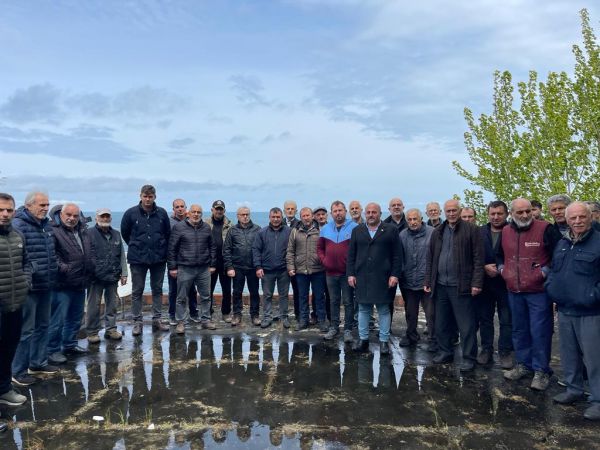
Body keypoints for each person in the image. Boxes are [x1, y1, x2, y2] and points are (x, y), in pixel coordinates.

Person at [546, 202, 600, 421]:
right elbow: (554, 270)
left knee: (595, 359)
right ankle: (573, 389)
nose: (577, 221)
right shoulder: (563, 243)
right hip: (565, 309)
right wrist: (551, 288)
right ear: (567, 220)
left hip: (591, 312)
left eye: (582, 217)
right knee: (569, 355)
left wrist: (591, 296)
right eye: (573, 218)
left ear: (590, 217)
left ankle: (598, 400)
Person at [498, 198, 556, 390]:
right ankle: (523, 364)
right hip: (514, 291)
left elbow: (558, 255)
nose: (525, 215)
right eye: (520, 212)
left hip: (538, 292)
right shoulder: (506, 231)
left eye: (528, 211)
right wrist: (502, 270)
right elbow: (499, 254)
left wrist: (544, 273)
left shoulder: (545, 228)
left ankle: (541, 371)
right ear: (511, 214)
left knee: (540, 331)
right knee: (519, 330)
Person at [424, 199, 484, 372]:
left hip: (461, 285)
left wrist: (477, 282)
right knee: (441, 322)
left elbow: (478, 258)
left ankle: (469, 357)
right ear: (444, 212)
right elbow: (431, 258)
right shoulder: (438, 231)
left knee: (466, 325)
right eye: (448, 210)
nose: (451, 213)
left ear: (459, 211)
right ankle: (445, 352)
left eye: (454, 210)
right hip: (441, 285)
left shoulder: (471, 230)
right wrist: (428, 280)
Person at [12, 191, 59, 386]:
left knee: (43, 326)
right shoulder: (18, 225)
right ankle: (18, 371)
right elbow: (18, 258)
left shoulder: (46, 225)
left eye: (47, 205)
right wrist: (26, 279)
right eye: (42, 205)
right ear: (29, 205)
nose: (46, 208)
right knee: (26, 331)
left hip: (46, 285)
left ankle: (38, 362)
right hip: (29, 288)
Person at [347, 202, 402, 355]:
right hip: (362, 276)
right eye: (368, 212)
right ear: (365, 214)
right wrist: (350, 274)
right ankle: (363, 340)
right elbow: (351, 254)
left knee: (383, 309)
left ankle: (384, 341)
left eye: (374, 212)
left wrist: (395, 274)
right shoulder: (357, 230)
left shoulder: (391, 230)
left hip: (383, 277)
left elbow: (397, 255)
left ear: (380, 214)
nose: (371, 215)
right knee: (363, 309)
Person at [121, 185, 171, 336]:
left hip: (158, 258)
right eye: (145, 196)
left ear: (155, 197)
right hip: (138, 259)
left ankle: (157, 319)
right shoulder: (130, 213)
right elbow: (125, 233)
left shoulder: (162, 213)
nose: (148, 199)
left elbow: (167, 233)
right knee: (137, 290)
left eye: (150, 196)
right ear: (140, 196)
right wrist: (137, 246)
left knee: (157, 289)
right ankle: (137, 322)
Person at [48, 203, 94, 360]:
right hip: (62, 284)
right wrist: (65, 269)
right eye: (68, 215)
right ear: (61, 214)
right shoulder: (53, 230)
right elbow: (51, 255)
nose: (72, 218)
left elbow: (90, 250)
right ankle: (52, 350)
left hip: (81, 282)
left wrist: (92, 264)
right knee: (57, 320)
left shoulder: (82, 229)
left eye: (75, 215)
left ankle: (70, 344)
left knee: (75, 318)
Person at [167, 204, 216, 334]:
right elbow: (172, 248)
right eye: (193, 212)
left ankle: (206, 320)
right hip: (185, 267)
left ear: (201, 214)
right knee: (181, 297)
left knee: (206, 296)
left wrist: (212, 264)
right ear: (188, 213)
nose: (196, 214)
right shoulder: (179, 227)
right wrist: (172, 267)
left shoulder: (206, 227)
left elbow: (212, 247)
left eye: (198, 212)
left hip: (203, 268)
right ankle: (181, 322)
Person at [0, 193, 30, 406]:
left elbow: (27, 262)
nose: (5, 214)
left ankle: (3, 389)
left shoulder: (18, 235)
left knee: (9, 348)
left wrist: (25, 282)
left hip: (15, 304)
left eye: (9, 210)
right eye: (1, 210)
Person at [477, 201, 513, 368]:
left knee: (507, 320)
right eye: (493, 214)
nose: (496, 217)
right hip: (485, 283)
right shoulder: (479, 232)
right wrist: (484, 267)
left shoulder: (513, 231)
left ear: (507, 214)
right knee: (485, 319)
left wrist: (501, 269)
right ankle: (486, 349)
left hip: (506, 283)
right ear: (488, 214)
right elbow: (473, 255)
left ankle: (505, 351)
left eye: (499, 213)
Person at [318, 201, 357, 342]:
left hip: (347, 273)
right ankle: (334, 327)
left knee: (348, 302)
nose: (338, 213)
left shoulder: (355, 227)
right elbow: (320, 248)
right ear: (331, 213)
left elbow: (359, 249)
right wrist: (324, 261)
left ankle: (347, 330)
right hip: (330, 273)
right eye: (335, 211)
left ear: (345, 211)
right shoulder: (325, 229)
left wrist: (353, 269)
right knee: (333, 301)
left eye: (340, 210)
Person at [86, 208, 127, 343]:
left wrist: (124, 273)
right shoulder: (89, 233)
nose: (105, 219)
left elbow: (122, 255)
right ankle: (92, 332)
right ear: (96, 218)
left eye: (107, 216)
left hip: (112, 275)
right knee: (93, 305)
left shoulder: (116, 234)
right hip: (95, 277)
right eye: (102, 216)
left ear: (110, 218)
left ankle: (111, 329)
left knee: (112, 304)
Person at [398, 209, 435, 350]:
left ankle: (433, 338)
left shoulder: (432, 233)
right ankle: (411, 335)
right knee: (410, 312)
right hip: (408, 281)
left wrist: (431, 278)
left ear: (421, 219)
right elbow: (399, 256)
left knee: (431, 313)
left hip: (427, 281)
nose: (412, 222)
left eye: (415, 219)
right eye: (410, 219)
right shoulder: (402, 235)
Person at [287, 207, 327, 332]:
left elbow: (325, 249)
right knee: (302, 297)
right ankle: (303, 321)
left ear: (312, 216)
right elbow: (290, 251)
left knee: (319, 297)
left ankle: (321, 321)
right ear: (301, 217)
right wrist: (291, 267)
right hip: (300, 271)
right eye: (303, 216)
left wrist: (325, 263)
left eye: (308, 215)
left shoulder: (320, 230)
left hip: (318, 270)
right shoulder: (295, 231)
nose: (306, 218)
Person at [252, 207, 292, 329]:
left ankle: (284, 316)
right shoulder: (261, 232)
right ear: (269, 217)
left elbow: (293, 250)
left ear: (281, 217)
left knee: (283, 295)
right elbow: (256, 250)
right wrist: (258, 267)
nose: (275, 219)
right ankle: (267, 317)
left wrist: (291, 266)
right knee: (267, 295)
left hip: (283, 270)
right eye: (273, 217)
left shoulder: (289, 231)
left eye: (278, 217)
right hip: (267, 270)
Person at [223, 206, 261, 326]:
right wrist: (229, 267)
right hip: (237, 267)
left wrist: (259, 266)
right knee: (237, 292)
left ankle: (255, 315)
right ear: (238, 216)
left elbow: (261, 248)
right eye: (242, 215)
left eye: (247, 214)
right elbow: (227, 250)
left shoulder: (257, 229)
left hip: (253, 267)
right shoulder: (232, 230)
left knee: (254, 292)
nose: (245, 217)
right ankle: (237, 315)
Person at [167, 199, 198, 325]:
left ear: (186, 208)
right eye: (177, 207)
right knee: (173, 290)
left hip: (189, 261)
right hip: (174, 261)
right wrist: (171, 265)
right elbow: (168, 244)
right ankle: (172, 315)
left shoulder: (191, 221)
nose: (180, 209)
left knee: (191, 290)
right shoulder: (169, 223)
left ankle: (194, 313)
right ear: (173, 209)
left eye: (182, 206)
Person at [205, 200, 233, 323]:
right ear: (212, 209)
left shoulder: (230, 225)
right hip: (209, 263)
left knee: (226, 290)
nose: (219, 211)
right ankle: (208, 312)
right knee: (208, 290)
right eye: (217, 209)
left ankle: (226, 313)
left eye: (221, 209)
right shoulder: (205, 224)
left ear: (224, 211)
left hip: (225, 263)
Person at [283, 200, 301, 321]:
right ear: (284, 211)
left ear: (296, 211)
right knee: (283, 291)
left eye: (292, 209)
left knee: (297, 290)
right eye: (288, 209)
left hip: (296, 263)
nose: (290, 211)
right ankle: (283, 315)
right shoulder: (278, 222)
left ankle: (298, 314)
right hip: (281, 263)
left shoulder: (300, 224)